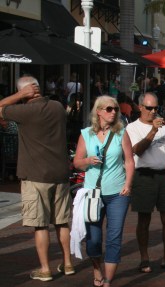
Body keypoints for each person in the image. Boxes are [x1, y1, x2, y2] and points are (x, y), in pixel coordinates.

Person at [0, 76, 73, 281]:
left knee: (40, 224)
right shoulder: (57, 107)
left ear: (26, 92)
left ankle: (45, 268)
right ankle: (67, 264)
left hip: (35, 175)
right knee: (62, 222)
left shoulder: (24, 111)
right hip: (60, 173)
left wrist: (19, 96)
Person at [73, 96, 134, 287]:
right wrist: (87, 161)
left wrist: (128, 183)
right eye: (109, 109)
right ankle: (97, 269)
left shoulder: (121, 133)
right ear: (98, 111)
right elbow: (76, 162)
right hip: (93, 194)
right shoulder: (86, 134)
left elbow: (129, 161)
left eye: (115, 109)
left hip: (118, 193)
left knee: (114, 236)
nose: (114, 112)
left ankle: (108, 280)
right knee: (94, 238)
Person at [126, 92, 165, 273]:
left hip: (164, 175)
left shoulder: (163, 125)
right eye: (150, 108)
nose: (153, 112)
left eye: (156, 108)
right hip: (144, 175)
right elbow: (137, 150)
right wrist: (153, 131)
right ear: (140, 108)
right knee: (144, 218)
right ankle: (144, 259)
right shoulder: (132, 128)